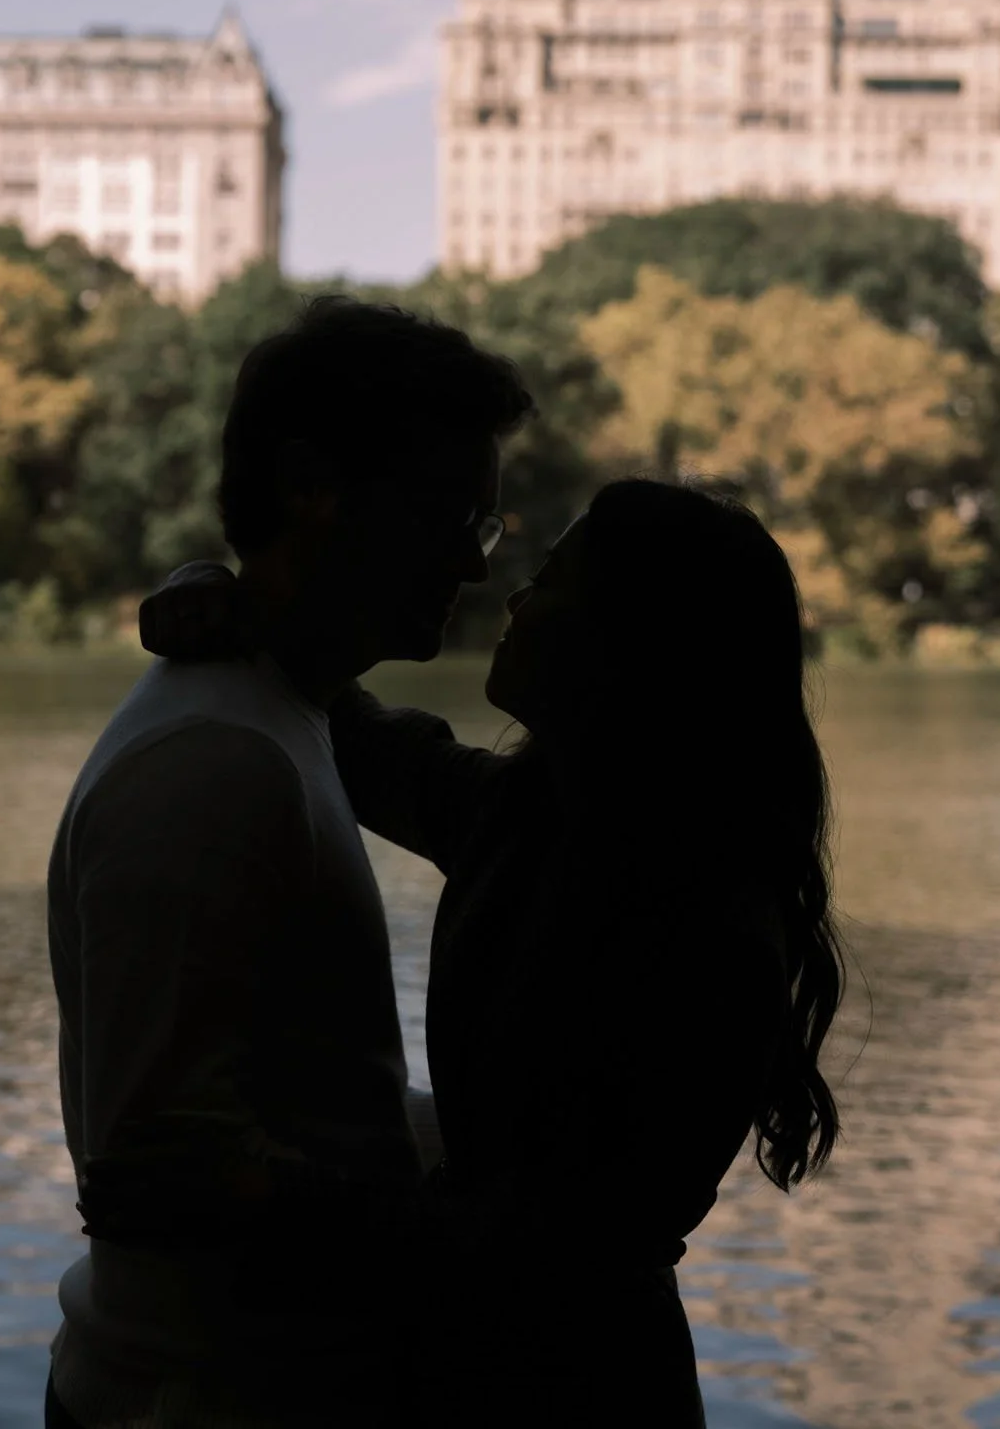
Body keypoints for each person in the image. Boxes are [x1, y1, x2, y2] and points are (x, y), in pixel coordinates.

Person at [142, 478, 846, 1427]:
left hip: (579, 1388)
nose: (513, 600)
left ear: (628, 640)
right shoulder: (538, 817)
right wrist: (228, 598)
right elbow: (367, 740)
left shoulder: (708, 931)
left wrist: (260, 1193)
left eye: (551, 583)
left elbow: (551, 1245)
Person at [43, 296, 533, 1429]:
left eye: (487, 529)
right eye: (454, 515)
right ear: (313, 483)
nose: (474, 564)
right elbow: (162, 1164)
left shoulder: (279, 717)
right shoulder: (224, 753)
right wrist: (482, 1226)